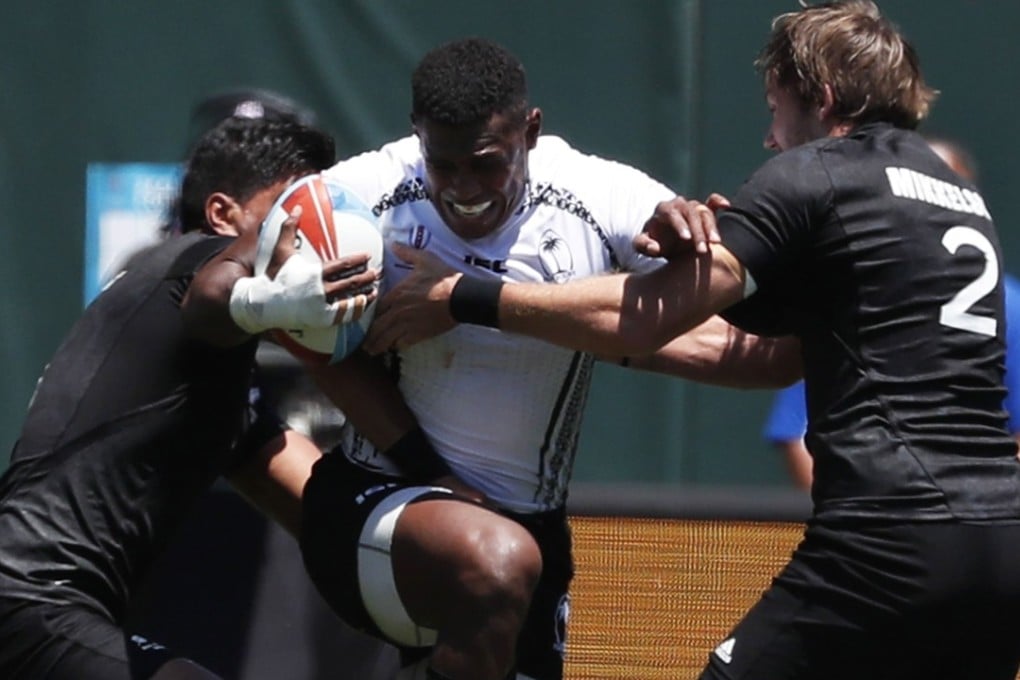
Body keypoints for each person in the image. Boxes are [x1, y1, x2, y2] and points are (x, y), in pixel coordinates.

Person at [369, 4, 1020, 678]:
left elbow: (646, 316)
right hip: (1000, 545)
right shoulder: (952, 192)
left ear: (820, 98)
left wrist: (465, 297)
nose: (770, 139)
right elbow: (783, 344)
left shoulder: (816, 174)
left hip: (886, 538)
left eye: (774, 109)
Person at [187, 37, 798, 680]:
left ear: (530, 131)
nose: (464, 190)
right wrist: (274, 297)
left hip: (531, 536)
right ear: (414, 135)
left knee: (510, 561)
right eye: (442, 165)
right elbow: (213, 291)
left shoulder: (605, 198)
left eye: (486, 163)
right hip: (373, 503)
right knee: (497, 561)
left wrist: (714, 264)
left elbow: (765, 356)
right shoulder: (366, 192)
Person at [0, 115, 379, 680]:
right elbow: (218, 292)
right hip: (30, 599)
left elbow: (324, 507)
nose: (314, 234)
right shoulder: (189, 265)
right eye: (292, 212)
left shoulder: (208, 387)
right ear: (222, 216)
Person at [764, 136, 1020, 490]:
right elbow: (796, 431)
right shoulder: (849, 291)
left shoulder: (1011, 308)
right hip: (870, 522)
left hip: (972, 520)